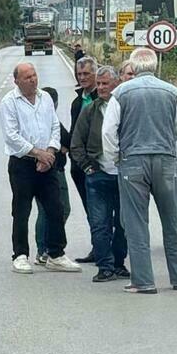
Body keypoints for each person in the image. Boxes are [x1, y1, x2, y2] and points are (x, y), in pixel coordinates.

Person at [102, 48, 177, 294]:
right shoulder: (172, 93)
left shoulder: (120, 93)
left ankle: (144, 280)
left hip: (132, 160)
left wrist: (115, 157)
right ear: (155, 66)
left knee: (135, 222)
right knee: (172, 219)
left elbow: (109, 132)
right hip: (165, 159)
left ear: (134, 66)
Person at [0, 62, 80, 275]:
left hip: (47, 162)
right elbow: (12, 136)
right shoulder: (9, 102)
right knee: (21, 210)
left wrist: (50, 152)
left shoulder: (44, 98)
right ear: (17, 81)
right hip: (23, 164)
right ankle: (20, 255)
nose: (33, 80)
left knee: (56, 208)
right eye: (27, 77)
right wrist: (37, 153)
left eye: (34, 75)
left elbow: (54, 126)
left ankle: (56, 253)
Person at [70, 65, 128, 282]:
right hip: (98, 176)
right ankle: (104, 266)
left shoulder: (126, 107)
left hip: (124, 176)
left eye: (105, 84)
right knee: (100, 222)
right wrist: (88, 167)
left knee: (124, 223)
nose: (101, 88)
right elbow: (76, 144)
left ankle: (119, 263)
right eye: (100, 84)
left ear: (117, 84)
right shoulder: (90, 110)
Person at [34, 87, 71, 264]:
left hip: (40, 169)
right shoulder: (51, 120)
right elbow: (67, 141)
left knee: (45, 210)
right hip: (54, 171)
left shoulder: (39, 118)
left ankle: (44, 247)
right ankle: (46, 248)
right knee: (57, 209)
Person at [69, 56, 98, 262]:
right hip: (79, 164)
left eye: (86, 73)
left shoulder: (103, 99)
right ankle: (97, 247)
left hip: (98, 163)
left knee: (103, 209)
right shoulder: (77, 101)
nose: (82, 78)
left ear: (95, 74)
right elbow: (73, 133)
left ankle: (108, 248)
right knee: (90, 208)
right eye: (79, 74)